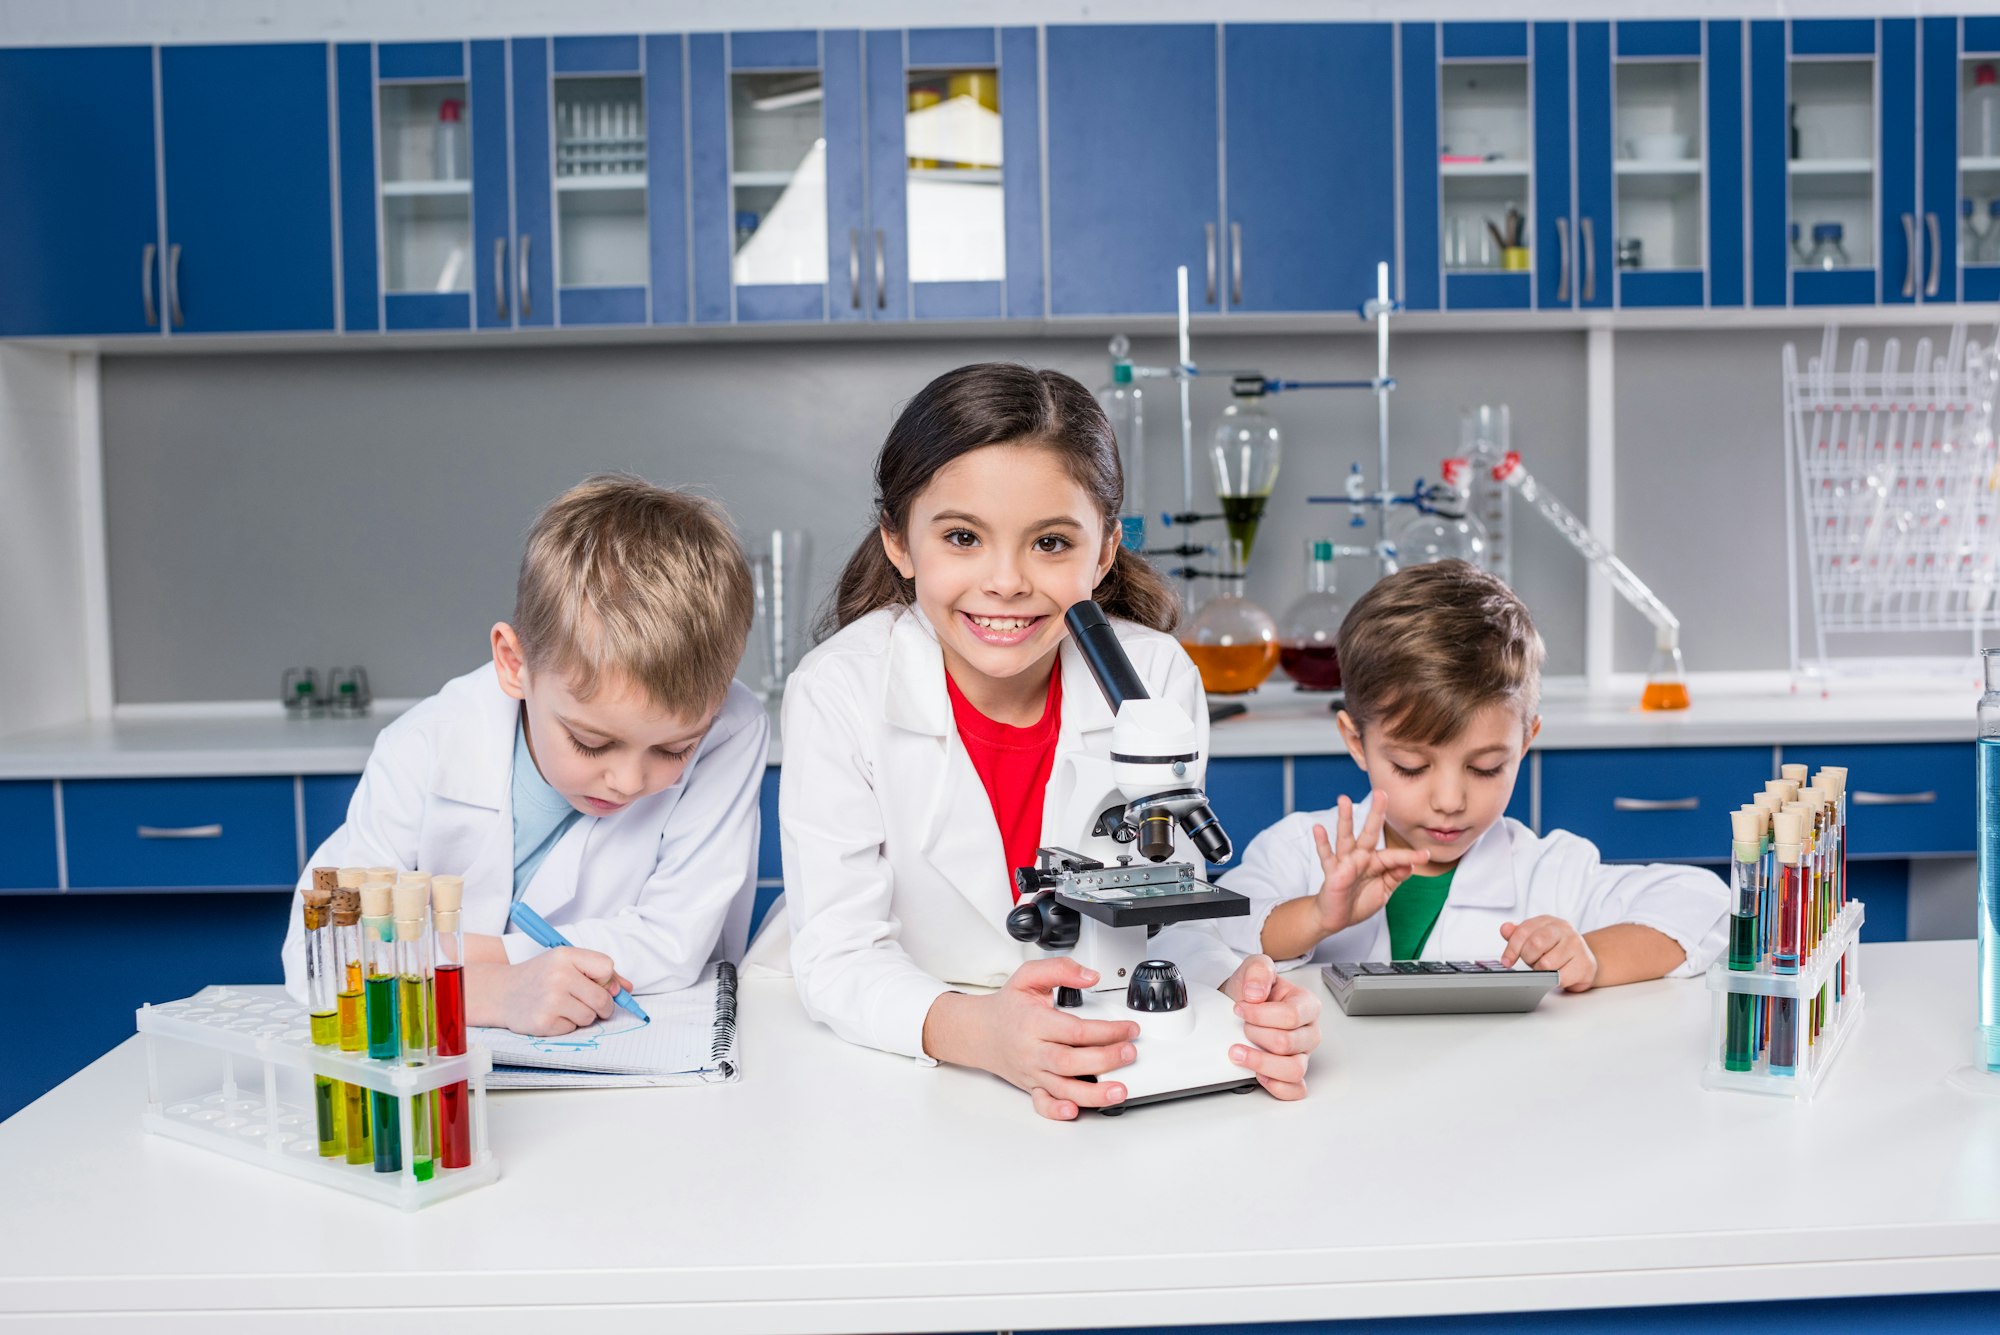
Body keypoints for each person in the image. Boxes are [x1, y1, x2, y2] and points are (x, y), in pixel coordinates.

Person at [764, 362, 1320, 1121]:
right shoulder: (839, 691)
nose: (1005, 581)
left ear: (1103, 551)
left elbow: (1160, 907)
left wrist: (1241, 989)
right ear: (899, 541)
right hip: (903, 1068)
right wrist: (982, 1033)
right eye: (963, 537)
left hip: (1087, 1045)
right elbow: (839, 954)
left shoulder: (1155, 675)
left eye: (1051, 543)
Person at [279, 475, 768, 1034]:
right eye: (591, 741)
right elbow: (318, 953)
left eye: (675, 749)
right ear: (515, 664)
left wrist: (452, 961)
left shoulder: (731, 730)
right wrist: (483, 994)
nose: (629, 781)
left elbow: (673, 942)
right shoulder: (426, 747)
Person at [1220, 560, 1726, 989]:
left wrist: (1589, 958)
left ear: (1524, 742)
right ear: (1357, 742)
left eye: (1486, 767)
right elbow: (1198, 938)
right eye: (1411, 766)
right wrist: (1316, 917)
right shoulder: (1296, 852)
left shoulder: (1548, 872)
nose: (1449, 800)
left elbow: (1709, 906)